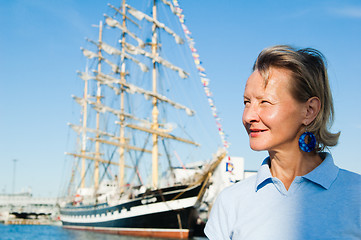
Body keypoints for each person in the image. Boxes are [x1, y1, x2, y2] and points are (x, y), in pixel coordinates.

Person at [204, 45, 361, 239]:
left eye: (265, 102)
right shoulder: (230, 201)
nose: (249, 116)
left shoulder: (356, 196)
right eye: (247, 102)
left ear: (309, 110)